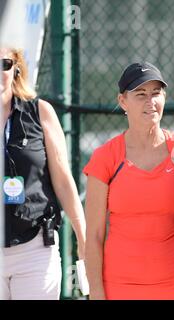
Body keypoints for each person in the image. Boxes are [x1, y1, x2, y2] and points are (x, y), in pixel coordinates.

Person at [83, 62, 174, 300]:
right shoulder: (105, 157)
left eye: (156, 93)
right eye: (141, 94)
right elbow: (93, 235)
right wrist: (96, 291)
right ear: (123, 101)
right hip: (119, 287)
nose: (150, 101)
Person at [1, 47, 86, 300]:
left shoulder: (40, 112)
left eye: (4, 63)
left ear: (16, 68)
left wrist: (83, 238)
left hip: (34, 249)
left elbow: (62, 178)